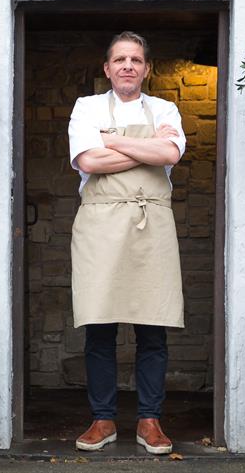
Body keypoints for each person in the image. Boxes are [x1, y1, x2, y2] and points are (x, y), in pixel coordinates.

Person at [67, 31, 186, 456]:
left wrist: (112, 140)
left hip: (150, 223)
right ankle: (103, 419)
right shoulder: (88, 107)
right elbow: (88, 161)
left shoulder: (165, 107)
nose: (128, 66)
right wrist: (148, 148)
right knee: (100, 327)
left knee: (152, 327)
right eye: (120, 59)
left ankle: (150, 420)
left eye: (136, 59)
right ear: (107, 67)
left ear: (147, 68)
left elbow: (171, 154)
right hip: (100, 226)